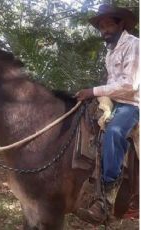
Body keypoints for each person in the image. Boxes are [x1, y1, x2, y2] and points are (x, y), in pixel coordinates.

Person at [75, 4, 139, 224]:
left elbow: (129, 85)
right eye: (101, 27)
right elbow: (112, 84)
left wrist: (93, 91)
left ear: (121, 23)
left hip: (132, 103)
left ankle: (107, 198)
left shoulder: (134, 45)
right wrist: (98, 97)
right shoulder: (110, 52)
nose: (104, 30)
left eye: (108, 24)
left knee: (114, 132)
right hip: (112, 101)